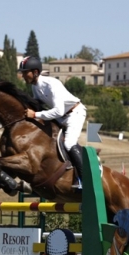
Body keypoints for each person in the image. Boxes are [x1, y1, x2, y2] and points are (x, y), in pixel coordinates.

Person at [18, 56, 87, 188]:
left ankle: (83, 179)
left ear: (35, 72)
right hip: (61, 116)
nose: (23, 75)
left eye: (25, 72)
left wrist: (35, 115)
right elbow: (38, 105)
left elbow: (58, 111)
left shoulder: (51, 84)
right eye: (22, 72)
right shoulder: (35, 87)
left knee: (68, 143)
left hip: (74, 114)